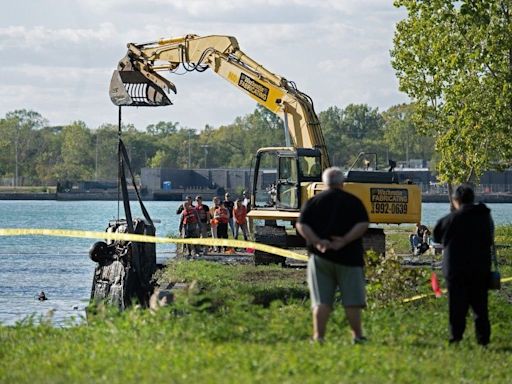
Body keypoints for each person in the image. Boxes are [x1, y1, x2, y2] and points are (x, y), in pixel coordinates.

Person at [296, 167, 369, 344]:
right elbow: (363, 224)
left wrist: (318, 242)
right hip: (349, 258)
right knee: (352, 301)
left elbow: (301, 225)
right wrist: (344, 240)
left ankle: (319, 337)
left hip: (320, 258)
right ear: (342, 182)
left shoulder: (313, 202)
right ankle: (357, 336)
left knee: (321, 301)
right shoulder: (353, 201)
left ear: (324, 182)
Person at [433, 184, 493, 346]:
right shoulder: (484, 217)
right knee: (480, 308)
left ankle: (456, 337)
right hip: (480, 269)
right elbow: (489, 238)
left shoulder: (451, 219)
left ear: (456, 201)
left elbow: (436, 235)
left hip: (456, 271)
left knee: (457, 307)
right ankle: (483, 340)